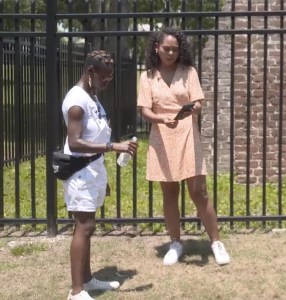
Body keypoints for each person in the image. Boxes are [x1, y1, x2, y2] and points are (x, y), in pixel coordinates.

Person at [137, 28, 230, 266]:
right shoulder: (147, 76)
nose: (170, 53)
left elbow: (198, 101)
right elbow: (144, 110)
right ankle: (175, 242)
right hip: (162, 137)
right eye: (166, 48)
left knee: (199, 192)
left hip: (188, 133)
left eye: (175, 49)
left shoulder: (189, 72)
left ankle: (216, 242)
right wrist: (160, 119)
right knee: (170, 193)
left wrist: (195, 108)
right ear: (156, 48)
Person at [61, 50, 138, 300]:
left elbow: (96, 134)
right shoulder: (76, 101)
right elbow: (75, 143)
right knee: (84, 226)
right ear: (90, 72)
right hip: (80, 171)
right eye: (104, 77)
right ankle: (76, 291)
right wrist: (113, 147)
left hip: (92, 169)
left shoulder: (92, 97)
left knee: (88, 227)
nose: (107, 82)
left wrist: (101, 177)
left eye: (111, 77)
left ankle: (87, 280)